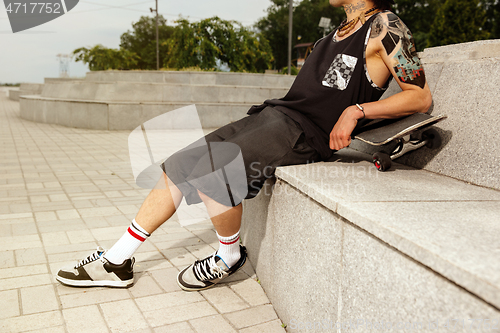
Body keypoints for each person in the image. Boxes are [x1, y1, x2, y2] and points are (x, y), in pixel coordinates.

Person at [56, 0, 432, 291]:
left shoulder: (385, 26)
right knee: (179, 164)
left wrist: (357, 110)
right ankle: (117, 260)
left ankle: (229, 255)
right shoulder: (336, 32)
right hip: (273, 116)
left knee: (213, 174)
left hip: (303, 134)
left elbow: (419, 97)